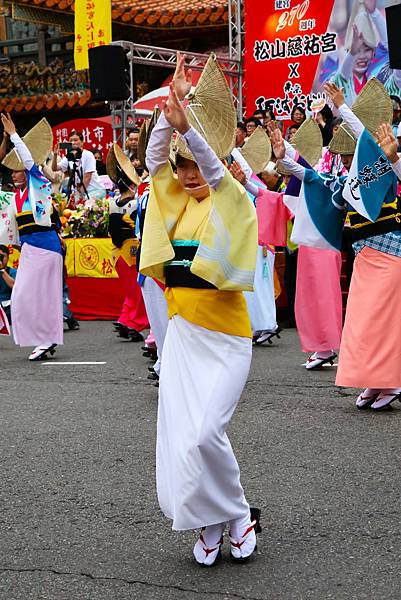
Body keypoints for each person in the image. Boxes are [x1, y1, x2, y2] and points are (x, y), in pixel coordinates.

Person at [140, 52, 261, 566]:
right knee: (188, 440)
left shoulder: (231, 199)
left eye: (195, 166)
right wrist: (167, 123)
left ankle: (236, 513)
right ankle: (212, 520)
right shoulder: (177, 202)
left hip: (228, 340)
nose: (189, 175)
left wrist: (193, 133)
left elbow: (215, 170)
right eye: (182, 167)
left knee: (209, 433)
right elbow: (152, 164)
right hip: (186, 338)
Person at [1, 113, 63, 361]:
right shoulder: (15, 197)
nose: (14, 174)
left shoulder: (39, 184)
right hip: (28, 248)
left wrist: (14, 135)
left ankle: (46, 340)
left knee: (44, 296)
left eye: (18, 170)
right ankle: (42, 338)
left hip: (46, 246)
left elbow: (28, 161)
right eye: (13, 171)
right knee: (23, 295)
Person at [107, 143, 149, 342]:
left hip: (116, 252)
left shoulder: (112, 203)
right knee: (139, 290)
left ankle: (125, 320)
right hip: (133, 251)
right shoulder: (136, 202)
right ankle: (134, 324)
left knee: (131, 291)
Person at [52, 130, 105, 206]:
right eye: (70, 141)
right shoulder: (69, 156)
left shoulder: (88, 155)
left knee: (85, 205)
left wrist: (80, 198)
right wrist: (55, 155)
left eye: (76, 140)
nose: (73, 142)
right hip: (79, 191)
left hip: (95, 190)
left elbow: (87, 177)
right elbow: (54, 168)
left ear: (82, 142)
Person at [0, 244, 16, 323]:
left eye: (2, 256)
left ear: (8, 257)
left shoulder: (13, 271)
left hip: (8, 306)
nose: (1, 259)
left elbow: (14, 286)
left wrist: (2, 270)